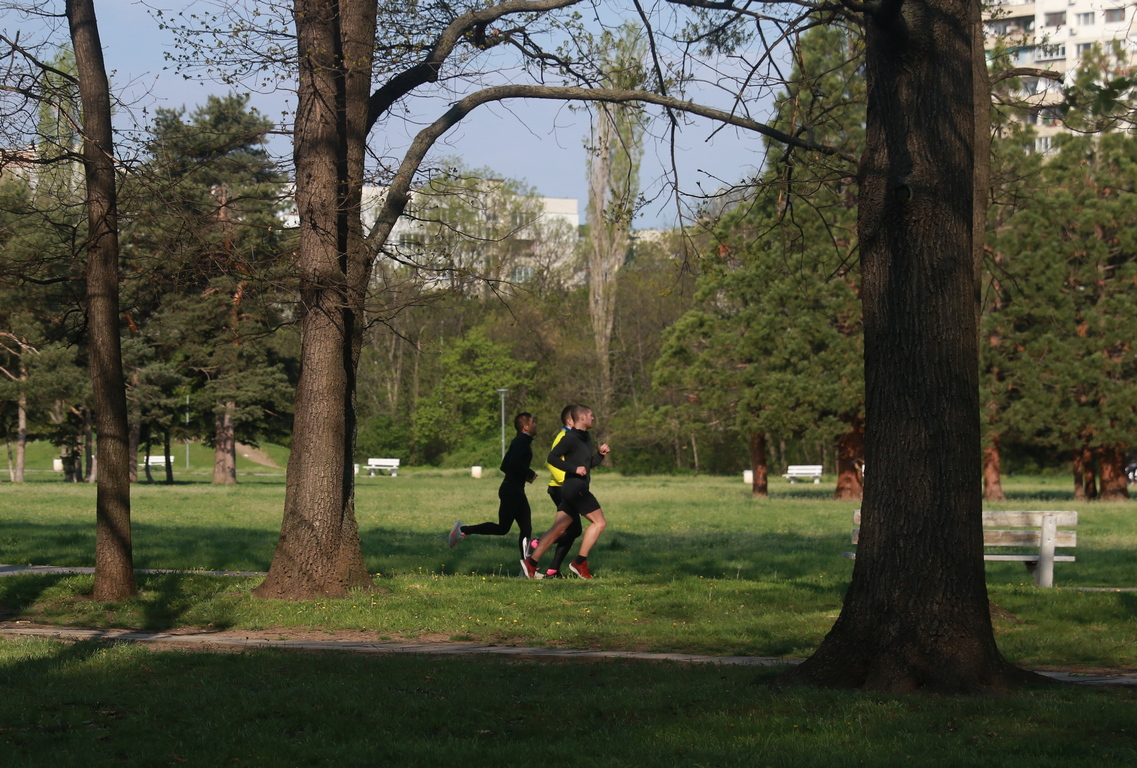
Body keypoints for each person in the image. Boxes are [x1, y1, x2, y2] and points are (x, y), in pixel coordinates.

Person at [521, 405, 609, 579]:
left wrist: (600, 455)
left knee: (558, 529)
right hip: (575, 489)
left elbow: (587, 464)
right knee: (599, 523)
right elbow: (552, 458)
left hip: (574, 489)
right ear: (581, 417)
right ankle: (579, 562)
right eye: (591, 415)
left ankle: (530, 563)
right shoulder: (570, 438)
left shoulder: (586, 438)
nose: (593, 418)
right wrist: (574, 469)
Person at [448, 412, 538, 558]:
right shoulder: (521, 441)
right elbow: (513, 463)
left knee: (525, 529)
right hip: (512, 491)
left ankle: (526, 567)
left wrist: (522, 475)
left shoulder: (520, 441)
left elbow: (504, 465)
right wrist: (529, 473)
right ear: (526, 427)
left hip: (514, 490)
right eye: (533, 422)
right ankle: (462, 529)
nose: (536, 424)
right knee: (504, 528)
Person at [534, 405, 583, 578]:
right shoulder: (563, 436)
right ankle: (536, 544)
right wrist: (566, 481)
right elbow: (550, 461)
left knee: (571, 529)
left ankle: (553, 570)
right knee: (573, 529)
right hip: (559, 488)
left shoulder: (571, 436)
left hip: (565, 488)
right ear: (570, 420)